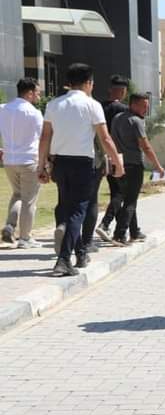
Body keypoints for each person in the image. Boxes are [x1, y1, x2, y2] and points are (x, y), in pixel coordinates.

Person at [37, 63, 125, 276]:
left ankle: (81, 253)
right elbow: (105, 138)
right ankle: (64, 259)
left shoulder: (54, 104)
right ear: (88, 83)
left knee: (69, 209)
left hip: (59, 163)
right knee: (78, 211)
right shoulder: (92, 105)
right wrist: (118, 163)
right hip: (83, 163)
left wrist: (41, 165)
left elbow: (45, 137)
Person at [107, 92, 165, 244]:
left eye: (147, 106)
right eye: (143, 106)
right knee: (131, 201)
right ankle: (119, 234)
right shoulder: (136, 121)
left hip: (119, 163)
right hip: (134, 165)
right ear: (133, 104)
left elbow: (112, 140)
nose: (146, 109)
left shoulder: (117, 118)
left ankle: (134, 232)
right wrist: (158, 166)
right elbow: (146, 146)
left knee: (128, 198)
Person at [1, 78, 44, 248]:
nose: (39, 96)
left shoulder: (3, 108)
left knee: (17, 194)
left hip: (9, 159)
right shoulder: (34, 113)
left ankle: (10, 225)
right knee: (29, 200)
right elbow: (42, 138)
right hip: (28, 159)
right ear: (30, 93)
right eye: (38, 93)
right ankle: (25, 238)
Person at [96, 75, 132, 243]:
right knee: (121, 193)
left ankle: (121, 230)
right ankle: (105, 223)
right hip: (117, 155)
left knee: (115, 191)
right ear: (123, 91)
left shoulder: (98, 107)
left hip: (98, 154)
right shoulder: (123, 110)